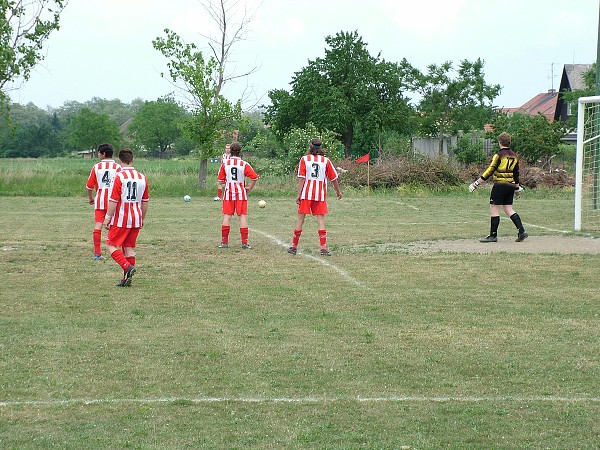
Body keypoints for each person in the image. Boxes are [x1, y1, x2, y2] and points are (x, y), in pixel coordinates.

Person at [469, 131, 528, 243]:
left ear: (499, 142)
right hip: (510, 185)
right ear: (509, 142)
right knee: (508, 209)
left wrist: (476, 183)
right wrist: (516, 188)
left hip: (500, 185)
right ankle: (522, 231)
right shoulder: (515, 156)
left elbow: (490, 170)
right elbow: (516, 174)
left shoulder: (499, 155)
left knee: (494, 209)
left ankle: (493, 235)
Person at [102, 148, 149, 287]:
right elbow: (145, 201)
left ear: (120, 160)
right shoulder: (142, 177)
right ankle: (126, 279)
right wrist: (142, 218)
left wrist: (107, 217)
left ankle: (127, 267)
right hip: (136, 217)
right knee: (129, 247)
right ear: (132, 159)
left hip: (122, 218)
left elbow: (114, 200)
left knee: (110, 245)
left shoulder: (119, 176)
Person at [288, 138, 342, 256]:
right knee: (321, 220)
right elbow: (334, 179)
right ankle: (323, 249)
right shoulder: (325, 161)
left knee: (300, 219)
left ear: (310, 147)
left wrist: (298, 195)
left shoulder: (304, 159)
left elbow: (302, 178)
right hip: (320, 195)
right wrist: (338, 192)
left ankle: (294, 247)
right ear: (320, 148)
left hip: (306, 195)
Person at [217, 142, 259, 249]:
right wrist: (249, 188)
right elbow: (254, 178)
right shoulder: (244, 164)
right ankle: (245, 243)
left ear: (230, 151)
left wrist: (227, 183)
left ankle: (224, 242)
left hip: (228, 194)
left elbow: (220, 180)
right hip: (241, 194)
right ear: (240, 151)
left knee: (227, 216)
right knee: (242, 217)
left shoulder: (225, 163)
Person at [85, 143, 121, 261]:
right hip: (114, 201)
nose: (98, 155)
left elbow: (89, 186)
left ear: (104, 154)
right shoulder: (118, 167)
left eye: (99, 153)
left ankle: (97, 253)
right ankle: (114, 249)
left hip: (100, 200)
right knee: (114, 225)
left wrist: (91, 198)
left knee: (99, 224)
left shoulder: (96, 167)